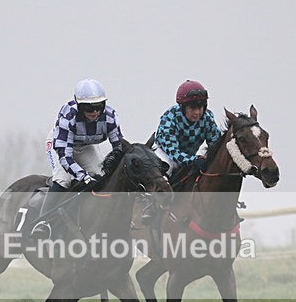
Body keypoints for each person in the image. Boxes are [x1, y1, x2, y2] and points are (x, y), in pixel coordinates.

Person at [30, 79, 125, 239]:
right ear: (79, 106)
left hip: (85, 146)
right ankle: (43, 222)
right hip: (60, 146)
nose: (94, 112)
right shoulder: (68, 116)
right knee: (63, 179)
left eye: (98, 106)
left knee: (100, 177)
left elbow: (119, 147)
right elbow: (65, 157)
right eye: (88, 107)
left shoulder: (110, 117)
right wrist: (81, 175)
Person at [142, 80, 222, 224]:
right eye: (192, 108)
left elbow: (215, 143)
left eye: (200, 107)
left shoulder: (208, 118)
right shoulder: (170, 117)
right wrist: (194, 160)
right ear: (183, 106)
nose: (197, 112)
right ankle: (150, 205)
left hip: (189, 155)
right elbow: (173, 152)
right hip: (165, 153)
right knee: (168, 168)